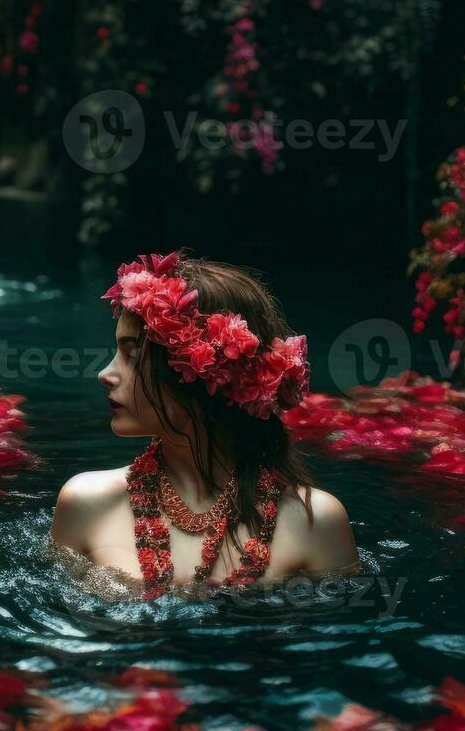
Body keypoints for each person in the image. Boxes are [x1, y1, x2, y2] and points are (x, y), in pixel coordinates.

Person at [51, 251, 359, 597]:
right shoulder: (85, 502)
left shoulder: (317, 521)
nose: (105, 374)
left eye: (133, 355)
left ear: (200, 371)